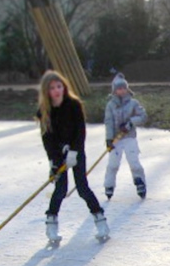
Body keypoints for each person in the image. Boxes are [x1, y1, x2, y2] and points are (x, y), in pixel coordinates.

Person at [36, 70, 109, 243]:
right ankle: (51, 224)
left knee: (82, 188)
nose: (56, 90)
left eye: (59, 86)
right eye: (52, 88)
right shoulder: (44, 111)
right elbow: (47, 139)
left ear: (64, 87)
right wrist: (54, 162)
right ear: (46, 91)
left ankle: (100, 220)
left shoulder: (74, 105)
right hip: (59, 155)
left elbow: (80, 132)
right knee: (60, 189)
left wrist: (74, 151)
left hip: (76, 152)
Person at [103, 72, 148, 199]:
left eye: (123, 88)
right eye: (119, 89)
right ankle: (109, 185)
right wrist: (109, 139)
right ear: (114, 90)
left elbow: (143, 116)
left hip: (129, 138)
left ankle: (140, 182)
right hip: (116, 140)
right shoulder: (110, 105)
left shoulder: (133, 103)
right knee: (113, 164)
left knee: (134, 162)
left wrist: (130, 123)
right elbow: (109, 122)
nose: (121, 91)